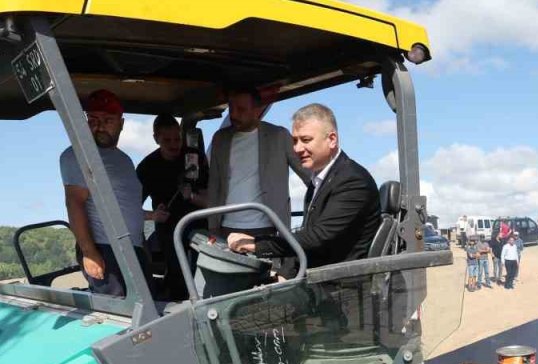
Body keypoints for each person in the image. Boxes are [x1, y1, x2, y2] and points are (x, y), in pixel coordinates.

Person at [228, 104, 379, 267]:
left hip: (340, 284)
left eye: (306, 140)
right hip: (319, 276)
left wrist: (257, 244)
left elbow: (318, 236)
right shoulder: (319, 180)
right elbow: (308, 238)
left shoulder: (352, 181)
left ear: (331, 139)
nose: (297, 148)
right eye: (295, 141)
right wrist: (283, 273)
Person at [60, 89, 150, 297]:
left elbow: (126, 205)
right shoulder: (77, 155)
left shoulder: (123, 159)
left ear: (121, 123)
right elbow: (75, 203)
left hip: (133, 247)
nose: (99, 126)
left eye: (108, 120)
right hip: (105, 249)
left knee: (148, 311)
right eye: (93, 119)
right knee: (121, 314)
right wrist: (89, 252)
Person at [207, 87, 311, 240]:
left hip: (269, 229)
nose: (234, 114)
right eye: (231, 108)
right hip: (226, 229)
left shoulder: (279, 136)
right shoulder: (220, 139)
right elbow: (214, 185)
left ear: (257, 110)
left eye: (241, 109)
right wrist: (213, 227)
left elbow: (309, 175)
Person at [137, 114, 208, 301]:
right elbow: (131, 208)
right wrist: (153, 215)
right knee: (178, 274)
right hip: (168, 229)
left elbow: (213, 194)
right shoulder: (147, 167)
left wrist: (193, 196)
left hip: (200, 224)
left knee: (202, 271)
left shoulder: (195, 158)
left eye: (177, 139)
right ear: (156, 139)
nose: (173, 144)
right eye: (167, 140)